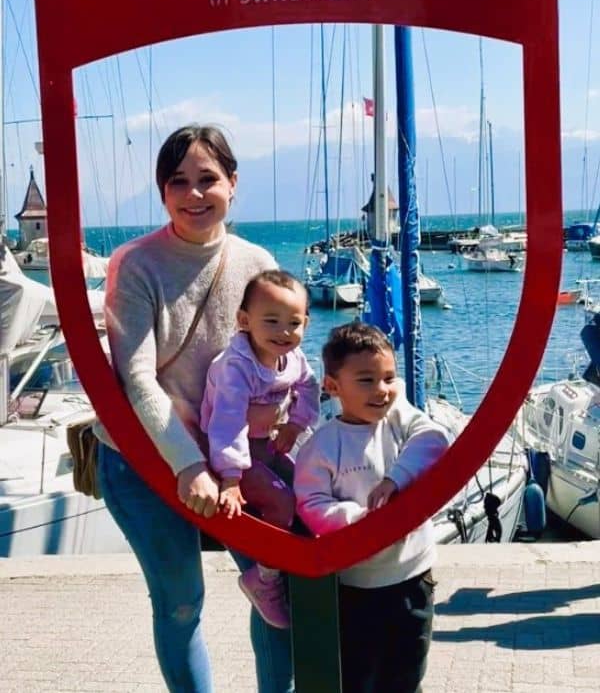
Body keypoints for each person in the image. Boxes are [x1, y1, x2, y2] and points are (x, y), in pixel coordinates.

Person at [95, 124, 294, 693]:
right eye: (177, 181)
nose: (194, 194)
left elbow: (273, 358)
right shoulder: (136, 264)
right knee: (181, 603)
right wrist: (187, 464)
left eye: (208, 179)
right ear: (162, 192)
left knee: (277, 591)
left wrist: (284, 420)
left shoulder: (256, 262)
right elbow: (136, 376)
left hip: (232, 456)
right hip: (144, 457)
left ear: (233, 183)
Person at [294, 322, 449, 693]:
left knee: (408, 674)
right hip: (356, 588)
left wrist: (395, 479)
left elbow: (434, 439)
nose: (382, 390)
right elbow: (311, 503)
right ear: (333, 387)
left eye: (389, 377)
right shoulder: (321, 447)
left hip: (413, 577)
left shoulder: (399, 418)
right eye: (366, 380)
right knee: (359, 677)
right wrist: (360, 520)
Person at [201, 269, 320, 629]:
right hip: (232, 453)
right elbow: (227, 420)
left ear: (306, 324)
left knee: (307, 488)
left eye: (294, 323)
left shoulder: (292, 358)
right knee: (281, 502)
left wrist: (297, 423)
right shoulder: (236, 366)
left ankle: (308, 560)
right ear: (244, 321)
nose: (284, 332)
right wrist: (231, 477)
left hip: (264, 444)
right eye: (271, 321)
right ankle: (264, 578)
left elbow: (310, 387)